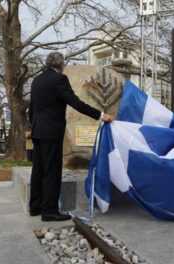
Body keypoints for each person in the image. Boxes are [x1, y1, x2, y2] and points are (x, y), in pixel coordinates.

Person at [29, 52, 113, 222]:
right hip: (52, 131)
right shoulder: (59, 80)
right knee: (52, 171)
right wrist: (100, 115)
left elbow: (32, 107)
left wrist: (33, 126)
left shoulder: (37, 80)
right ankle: (50, 211)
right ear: (61, 65)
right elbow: (75, 102)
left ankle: (35, 206)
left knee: (38, 170)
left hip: (38, 130)